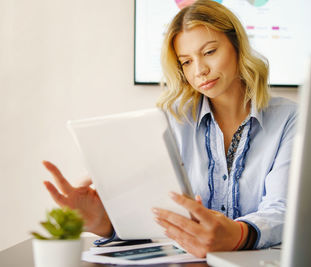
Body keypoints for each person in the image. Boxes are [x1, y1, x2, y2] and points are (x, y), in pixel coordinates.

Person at [42, 0, 297, 258]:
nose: (200, 70)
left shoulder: (289, 119)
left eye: (209, 52)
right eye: (186, 62)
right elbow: (150, 213)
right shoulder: (170, 121)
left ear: (237, 47)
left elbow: (284, 211)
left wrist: (238, 234)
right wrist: (103, 221)